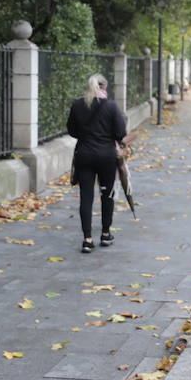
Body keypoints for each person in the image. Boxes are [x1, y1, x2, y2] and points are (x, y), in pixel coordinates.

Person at [67, 74, 130, 253]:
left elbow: (72, 130)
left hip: (84, 155)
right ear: (104, 87)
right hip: (106, 157)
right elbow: (120, 133)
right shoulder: (110, 106)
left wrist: (87, 135)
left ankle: (87, 239)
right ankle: (105, 233)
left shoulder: (78, 104)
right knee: (106, 194)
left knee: (86, 196)